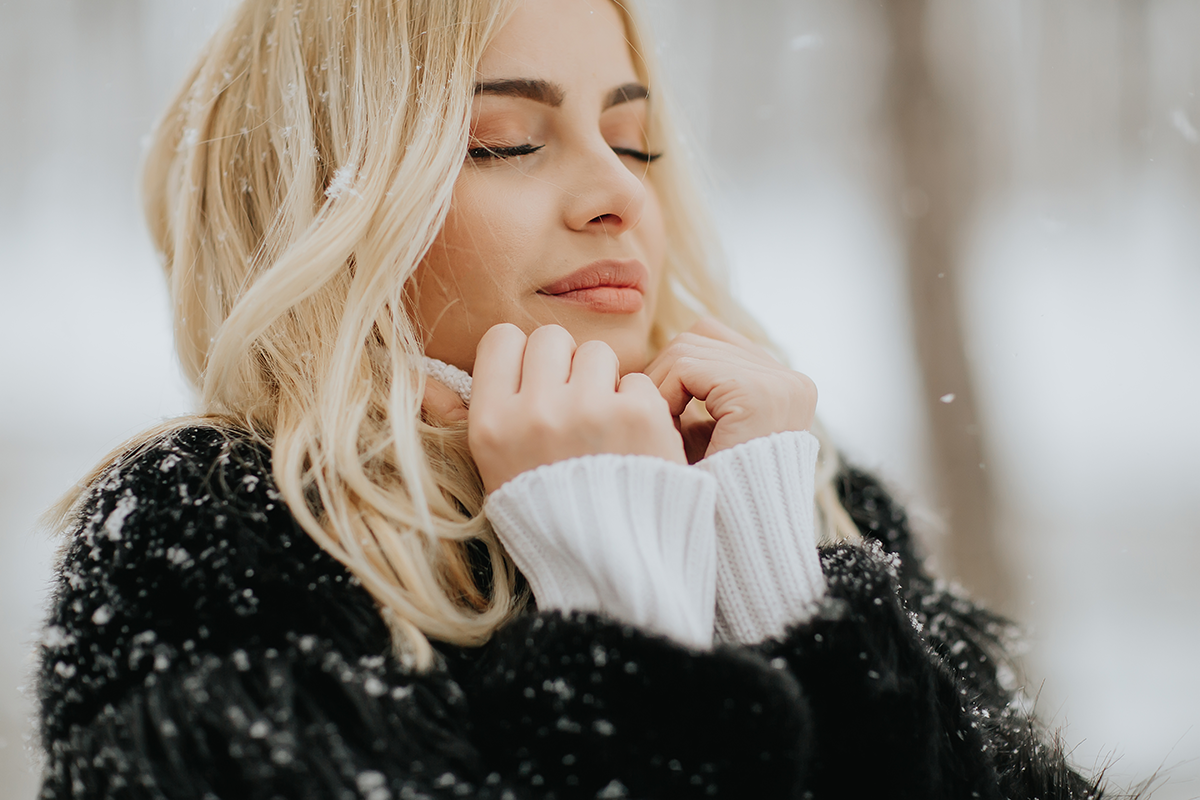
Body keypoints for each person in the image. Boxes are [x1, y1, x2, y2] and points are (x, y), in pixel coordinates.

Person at [35, 0, 1109, 797]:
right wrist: (622, 617)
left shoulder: (810, 497)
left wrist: (785, 596)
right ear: (327, 201)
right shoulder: (216, 535)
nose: (620, 192)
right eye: (506, 139)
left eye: (633, 140)